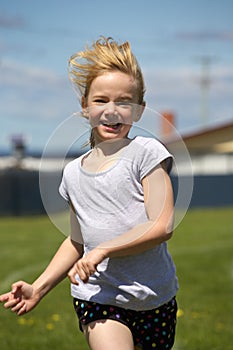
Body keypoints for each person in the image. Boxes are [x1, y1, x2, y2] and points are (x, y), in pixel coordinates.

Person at [0, 37, 178, 350]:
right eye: (100, 101)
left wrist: (104, 249)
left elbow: (161, 226)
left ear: (138, 111)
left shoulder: (148, 152)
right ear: (85, 108)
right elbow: (77, 241)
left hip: (155, 299)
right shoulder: (72, 173)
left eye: (124, 102)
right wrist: (38, 288)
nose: (112, 111)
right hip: (98, 297)